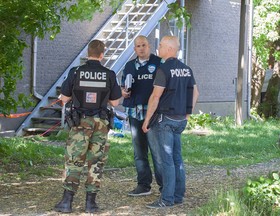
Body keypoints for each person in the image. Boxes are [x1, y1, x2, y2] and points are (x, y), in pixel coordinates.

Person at [54, 39, 122, 213]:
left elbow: (64, 98)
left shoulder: (76, 72)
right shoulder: (109, 74)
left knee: (74, 160)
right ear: (102, 54)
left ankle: (66, 202)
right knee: (96, 161)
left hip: (79, 123)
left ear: (87, 53)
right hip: (100, 122)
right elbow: (115, 102)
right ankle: (91, 204)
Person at [142, 35, 199, 208]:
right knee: (177, 159)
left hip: (165, 119)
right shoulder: (186, 69)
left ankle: (166, 199)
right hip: (180, 119)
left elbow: (155, 96)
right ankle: (178, 196)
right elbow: (195, 93)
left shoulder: (163, 69)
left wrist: (146, 120)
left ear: (169, 48)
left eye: (160, 45)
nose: (158, 48)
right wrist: (187, 114)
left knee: (166, 160)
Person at [121, 35, 162, 196]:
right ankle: (144, 185)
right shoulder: (129, 65)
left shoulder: (159, 63)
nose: (141, 48)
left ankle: (164, 186)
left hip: (152, 113)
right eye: (138, 46)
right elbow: (124, 86)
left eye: (143, 45)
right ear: (134, 49)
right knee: (139, 152)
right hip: (134, 112)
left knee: (157, 152)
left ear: (149, 46)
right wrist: (123, 92)